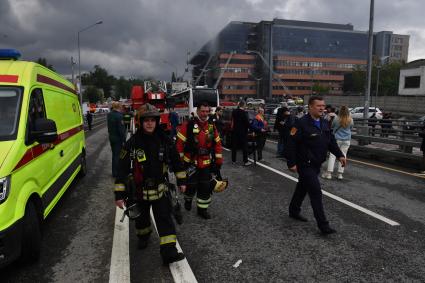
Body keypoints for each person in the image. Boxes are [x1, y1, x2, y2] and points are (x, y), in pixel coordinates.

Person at [114, 103, 187, 265]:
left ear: (157, 121)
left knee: (165, 219)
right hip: (139, 192)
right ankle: (143, 236)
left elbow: (176, 161)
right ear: (140, 122)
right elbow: (122, 170)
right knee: (142, 221)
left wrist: (182, 180)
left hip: (161, 190)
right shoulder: (131, 143)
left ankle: (169, 252)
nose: (149, 123)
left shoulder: (165, 140)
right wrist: (119, 195)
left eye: (152, 120)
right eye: (146, 120)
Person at [286, 96, 346, 235]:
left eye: (323, 106)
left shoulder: (325, 123)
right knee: (316, 192)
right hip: (304, 164)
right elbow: (291, 144)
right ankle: (323, 225)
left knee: (302, 187)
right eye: (318, 106)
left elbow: (331, 141)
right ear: (310, 107)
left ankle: (294, 210)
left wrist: (340, 155)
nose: (322, 108)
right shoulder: (300, 123)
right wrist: (291, 163)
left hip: (317, 163)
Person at [176, 101, 223, 219]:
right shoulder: (188, 125)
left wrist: (218, 162)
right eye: (202, 111)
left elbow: (217, 144)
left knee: (205, 187)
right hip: (191, 163)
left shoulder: (211, 126)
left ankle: (202, 209)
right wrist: (179, 163)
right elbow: (179, 145)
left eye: (207, 111)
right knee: (190, 187)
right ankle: (188, 199)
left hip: (206, 164)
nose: (205, 114)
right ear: (197, 111)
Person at [322, 106, 353, 180]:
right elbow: (351, 128)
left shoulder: (336, 118)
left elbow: (332, 126)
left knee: (332, 155)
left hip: (337, 138)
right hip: (347, 139)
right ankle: (340, 174)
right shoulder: (350, 119)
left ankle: (329, 173)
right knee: (343, 155)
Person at [107, 101, 126, 178]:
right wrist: (124, 140)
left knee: (114, 155)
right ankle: (116, 173)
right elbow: (121, 130)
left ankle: (114, 171)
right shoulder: (119, 116)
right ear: (119, 107)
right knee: (117, 156)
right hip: (118, 139)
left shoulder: (109, 114)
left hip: (111, 137)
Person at [231, 100, 251, 166]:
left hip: (235, 131)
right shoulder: (244, 113)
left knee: (234, 146)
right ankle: (245, 161)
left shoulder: (234, 111)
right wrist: (251, 128)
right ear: (244, 105)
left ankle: (233, 160)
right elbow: (247, 123)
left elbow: (233, 120)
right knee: (244, 147)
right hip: (243, 132)